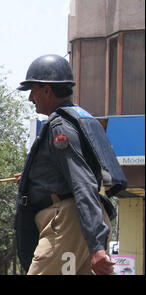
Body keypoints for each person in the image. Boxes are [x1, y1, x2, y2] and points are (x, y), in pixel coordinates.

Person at [14, 54, 127, 275]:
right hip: (80, 221)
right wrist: (35, 180)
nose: (30, 98)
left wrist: (96, 245)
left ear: (47, 90)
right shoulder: (80, 119)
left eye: (33, 90)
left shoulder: (60, 127)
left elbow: (82, 182)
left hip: (68, 224)